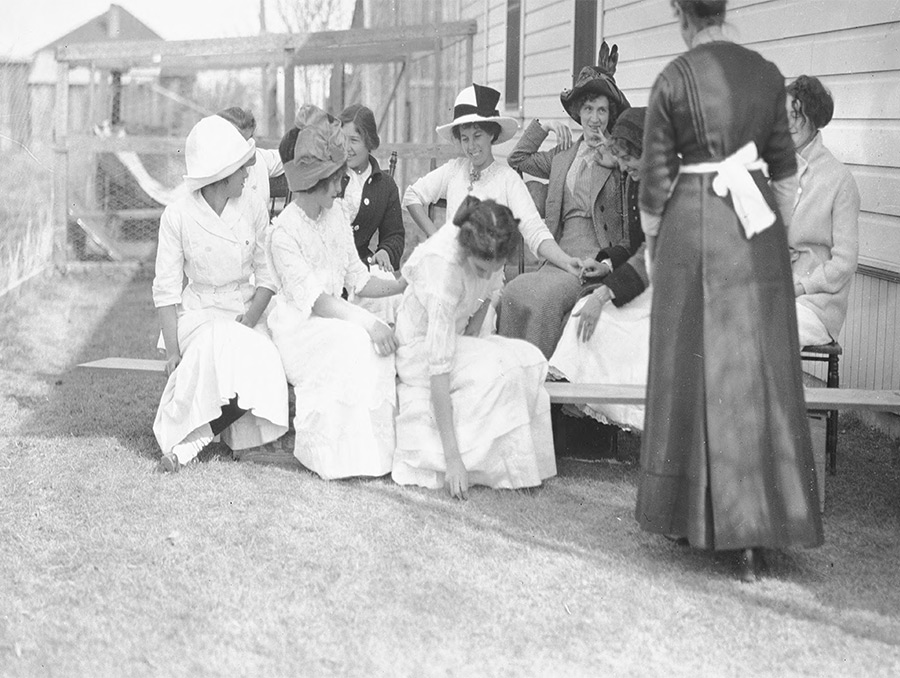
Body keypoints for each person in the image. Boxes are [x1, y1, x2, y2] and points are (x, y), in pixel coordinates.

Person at [635, 0, 823, 582]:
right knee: (756, 366)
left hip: (693, 225)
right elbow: (787, 177)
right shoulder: (766, 74)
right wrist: (770, 228)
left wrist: (650, 241)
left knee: (692, 363)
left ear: (682, 15)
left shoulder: (674, 78)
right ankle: (765, 520)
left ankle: (695, 515)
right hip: (755, 225)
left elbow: (655, 180)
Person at [267, 104, 407, 480]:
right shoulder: (284, 232)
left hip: (330, 318)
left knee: (370, 340)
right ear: (316, 181)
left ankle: (373, 457)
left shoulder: (337, 215)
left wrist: (403, 284)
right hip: (298, 328)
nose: (340, 187)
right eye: (335, 181)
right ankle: (333, 456)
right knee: (358, 341)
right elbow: (316, 300)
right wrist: (368, 323)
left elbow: (358, 280)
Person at [392, 197, 556, 498]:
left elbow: (488, 293)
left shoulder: (491, 246)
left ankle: (517, 467)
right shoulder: (443, 269)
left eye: (491, 267)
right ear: (467, 248)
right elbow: (438, 368)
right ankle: (482, 464)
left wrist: (472, 336)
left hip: (459, 336)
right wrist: (453, 460)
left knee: (526, 358)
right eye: (480, 268)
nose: (485, 273)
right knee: (500, 367)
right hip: (419, 349)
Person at [152, 115, 289, 472]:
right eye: (242, 168)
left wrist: (251, 321)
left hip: (246, 311)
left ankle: (193, 441)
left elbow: (267, 276)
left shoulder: (254, 206)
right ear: (220, 175)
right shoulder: (177, 216)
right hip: (198, 315)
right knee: (220, 346)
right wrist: (173, 352)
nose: (248, 174)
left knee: (262, 358)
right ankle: (193, 431)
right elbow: (166, 290)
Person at [499, 42, 631, 358]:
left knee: (544, 297)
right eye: (588, 109)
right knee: (514, 292)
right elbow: (518, 158)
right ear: (577, 113)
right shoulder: (562, 157)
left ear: (610, 114)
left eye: (602, 110)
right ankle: (512, 375)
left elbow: (636, 207)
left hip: (593, 263)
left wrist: (617, 161)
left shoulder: (622, 156)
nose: (595, 118)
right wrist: (542, 126)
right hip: (559, 258)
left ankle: (543, 383)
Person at [402, 83, 583, 284]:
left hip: (486, 280)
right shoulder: (454, 170)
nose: (471, 146)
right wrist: (437, 238)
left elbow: (535, 230)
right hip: (448, 271)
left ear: (491, 134)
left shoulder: (507, 179)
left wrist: (567, 262)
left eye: (477, 136)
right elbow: (412, 195)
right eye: (464, 138)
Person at [549, 107, 649, 433]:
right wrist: (605, 264)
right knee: (584, 311)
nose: (623, 167)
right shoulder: (637, 182)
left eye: (628, 159)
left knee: (612, 323)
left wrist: (605, 293)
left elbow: (653, 255)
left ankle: (630, 418)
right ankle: (566, 399)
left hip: (671, 286)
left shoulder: (664, 187)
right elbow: (633, 246)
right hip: (643, 278)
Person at [785, 75, 860, 347]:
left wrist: (801, 286)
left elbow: (844, 262)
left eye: (797, 114)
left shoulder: (840, 180)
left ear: (814, 117)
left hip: (816, 304)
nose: (788, 123)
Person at [339, 103, 405, 324]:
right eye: (342, 139)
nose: (346, 148)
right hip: (329, 263)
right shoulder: (330, 176)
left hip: (362, 262)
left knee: (388, 291)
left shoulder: (384, 185)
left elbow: (394, 234)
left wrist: (386, 251)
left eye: (354, 141)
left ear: (369, 142)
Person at [217, 106, 285, 209]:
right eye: (240, 142)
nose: (247, 146)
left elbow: (287, 156)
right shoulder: (216, 169)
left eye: (249, 138)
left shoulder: (260, 158)